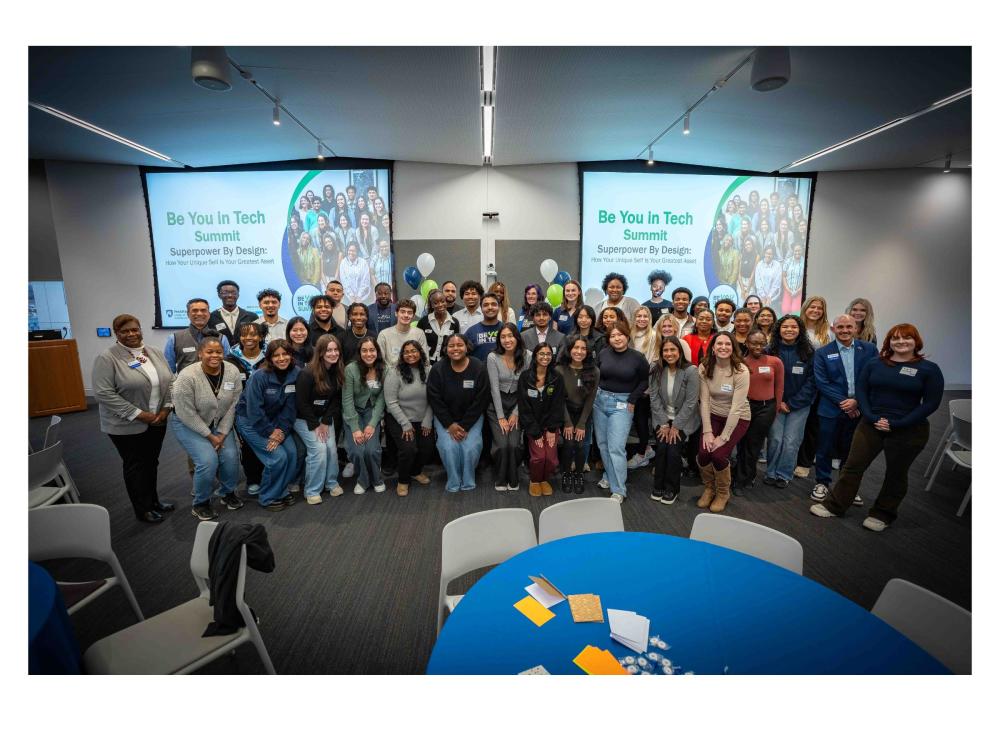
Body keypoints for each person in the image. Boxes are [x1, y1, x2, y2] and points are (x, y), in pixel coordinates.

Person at [809, 324, 944, 532]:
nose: (901, 342)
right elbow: (862, 392)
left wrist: (898, 423)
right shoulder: (875, 364)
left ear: (916, 342)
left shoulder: (929, 369)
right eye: (895, 338)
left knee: (896, 473)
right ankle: (835, 505)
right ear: (888, 342)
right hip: (871, 424)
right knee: (852, 466)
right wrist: (872, 417)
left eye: (907, 338)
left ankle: (882, 513)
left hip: (908, 429)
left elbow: (930, 404)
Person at [92, 314, 175, 523]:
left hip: (158, 419)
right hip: (126, 425)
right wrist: (139, 414)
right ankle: (143, 509)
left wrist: (166, 409)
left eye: (134, 329)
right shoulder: (107, 357)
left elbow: (170, 382)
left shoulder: (154, 352)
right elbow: (103, 393)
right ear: (117, 334)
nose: (131, 334)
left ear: (140, 329)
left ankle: (154, 501)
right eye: (124, 331)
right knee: (135, 465)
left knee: (151, 462)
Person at [169, 333, 244, 520]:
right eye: (209, 352)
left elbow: (233, 404)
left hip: (219, 424)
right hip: (188, 424)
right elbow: (186, 412)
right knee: (208, 461)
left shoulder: (232, 371)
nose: (214, 356)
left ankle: (227, 493)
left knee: (231, 457)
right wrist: (210, 436)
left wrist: (222, 433)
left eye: (218, 352)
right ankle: (200, 502)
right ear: (200, 354)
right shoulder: (187, 376)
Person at [809, 314, 879, 505]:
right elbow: (821, 382)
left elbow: (874, 378)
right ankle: (822, 482)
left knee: (852, 450)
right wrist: (845, 402)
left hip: (859, 409)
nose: (845, 331)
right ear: (833, 329)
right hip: (830, 409)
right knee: (824, 448)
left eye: (849, 327)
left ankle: (847, 487)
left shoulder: (870, 350)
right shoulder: (823, 352)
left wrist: (856, 401)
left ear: (856, 328)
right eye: (840, 327)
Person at [235, 339, 301, 511]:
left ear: (291, 356)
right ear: (270, 358)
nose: (281, 358)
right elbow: (253, 410)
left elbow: (290, 408)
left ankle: (280, 490)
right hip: (251, 422)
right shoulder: (259, 376)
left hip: (277, 422)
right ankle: (267, 496)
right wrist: (270, 433)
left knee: (293, 453)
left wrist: (281, 430)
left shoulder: (295, 374)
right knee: (278, 457)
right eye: (276, 355)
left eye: (285, 354)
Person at [427, 333, 491, 492]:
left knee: (470, 447)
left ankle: (468, 481)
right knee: (449, 447)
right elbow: (434, 399)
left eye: (459, 345)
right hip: (445, 419)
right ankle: (454, 481)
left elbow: (481, 400)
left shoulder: (478, 367)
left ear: (467, 347)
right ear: (446, 349)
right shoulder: (437, 369)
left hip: (472, 419)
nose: (456, 348)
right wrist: (450, 424)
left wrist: (464, 425)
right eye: (451, 345)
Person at [594, 320, 649, 503]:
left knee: (616, 447)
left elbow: (644, 381)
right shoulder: (603, 354)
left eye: (620, 335)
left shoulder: (638, 357)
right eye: (613, 336)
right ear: (609, 339)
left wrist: (632, 399)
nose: (617, 338)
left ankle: (619, 489)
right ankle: (609, 476)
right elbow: (595, 375)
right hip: (600, 402)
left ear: (627, 336)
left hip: (623, 404)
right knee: (602, 444)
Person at [695, 332, 751, 513]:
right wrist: (708, 431)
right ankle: (709, 488)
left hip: (738, 417)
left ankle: (722, 493)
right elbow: (704, 401)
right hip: (713, 414)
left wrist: (724, 437)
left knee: (718, 454)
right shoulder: (704, 367)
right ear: (713, 347)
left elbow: (736, 408)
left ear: (733, 348)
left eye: (728, 344)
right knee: (704, 453)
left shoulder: (741, 370)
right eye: (719, 343)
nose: (723, 347)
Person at [764, 315, 816, 489]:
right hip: (774, 403)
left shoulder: (808, 352)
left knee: (791, 441)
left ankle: (784, 474)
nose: (789, 330)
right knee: (775, 439)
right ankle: (770, 472)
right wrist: (778, 402)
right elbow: (764, 379)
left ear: (800, 330)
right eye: (785, 326)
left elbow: (812, 382)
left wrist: (792, 403)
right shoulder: (768, 351)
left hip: (799, 406)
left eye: (794, 327)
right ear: (778, 329)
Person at [293, 334, 345, 504]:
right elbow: (301, 404)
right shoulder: (307, 373)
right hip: (303, 419)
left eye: (336, 349)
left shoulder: (337, 370)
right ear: (321, 352)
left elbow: (335, 400)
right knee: (319, 450)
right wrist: (315, 425)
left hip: (323, 417)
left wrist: (324, 422)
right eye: (329, 350)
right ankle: (312, 489)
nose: (333, 353)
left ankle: (331, 483)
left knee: (331, 448)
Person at [648, 335, 700, 504]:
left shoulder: (691, 371)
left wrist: (676, 426)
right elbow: (654, 397)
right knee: (662, 447)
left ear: (680, 351)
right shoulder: (655, 368)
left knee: (673, 450)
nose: (669, 353)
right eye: (666, 350)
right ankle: (659, 486)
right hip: (661, 417)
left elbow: (691, 402)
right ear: (661, 353)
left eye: (673, 350)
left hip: (684, 419)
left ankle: (672, 489)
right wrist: (664, 423)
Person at [731, 331, 784, 496]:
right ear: (746, 343)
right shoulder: (741, 363)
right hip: (746, 406)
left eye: (762, 343)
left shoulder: (775, 362)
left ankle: (742, 480)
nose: (758, 347)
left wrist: (774, 410)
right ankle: (745, 475)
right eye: (754, 343)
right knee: (742, 443)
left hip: (766, 408)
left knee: (754, 444)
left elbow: (779, 388)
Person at [383, 340, 434, 496]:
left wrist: (427, 420)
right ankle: (403, 480)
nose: (410, 354)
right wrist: (405, 424)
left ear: (420, 352)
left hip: (422, 418)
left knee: (428, 448)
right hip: (399, 418)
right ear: (402, 355)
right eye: (406, 352)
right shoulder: (394, 373)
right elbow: (391, 402)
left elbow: (434, 398)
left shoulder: (429, 370)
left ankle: (415, 471)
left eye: (414, 351)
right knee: (408, 449)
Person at [486, 323, 531, 491]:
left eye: (510, 336)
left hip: (519, 403)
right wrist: (500, 417)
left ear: (517, 338)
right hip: (496, 405)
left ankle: (513, 477)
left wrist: (516, 413)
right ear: (499, 340)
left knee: (514, 444)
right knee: (502, 445)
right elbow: (494, 389)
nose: (507, 340)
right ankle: (500, 478)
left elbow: (527, 387)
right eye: (503, 337)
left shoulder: (527, 356)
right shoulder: (493, 357)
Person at [518, 343, 566, 497]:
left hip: (551, 426)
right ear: (535, 356)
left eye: (548, 354)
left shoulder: (557, 378)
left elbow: (558, 405)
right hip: (534, 427)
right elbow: (524, 408)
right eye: (541, 354)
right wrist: (535, 432)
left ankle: (544, 479)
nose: (545, 357)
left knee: (551, 459)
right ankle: (535, 480)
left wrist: (553, 430)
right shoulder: (525, 377)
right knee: (539, 457)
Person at [226, 322, 266, 495]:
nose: (248, 338)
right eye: (244, 334)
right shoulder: (230, 359)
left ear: (261, 337)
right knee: (248, 445)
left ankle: (268, 475)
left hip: (265, 409)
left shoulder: (268, 357)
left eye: (253, 334)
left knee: (265, 441)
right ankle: (253, 480)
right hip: (240, 411)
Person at [342, 337, 387, 494]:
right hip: (352, 412)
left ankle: (376, 479)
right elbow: (347, 400)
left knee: (372, 450)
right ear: (359, 353)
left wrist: (372, 423)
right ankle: (363, 480)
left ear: (377, 352)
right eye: (364, 350)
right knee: (357, 451)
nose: (369, 354)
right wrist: (355, 428)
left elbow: (382, 399)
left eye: (372, 350)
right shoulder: (350, 369)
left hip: (372, 411)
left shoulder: (384, 369)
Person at [555, 334, 598, 493]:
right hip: (565, 412)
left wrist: (581, 424)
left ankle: (578, 474)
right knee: (568, 444)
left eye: (583, 348)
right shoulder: (559, 369)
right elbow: (559, 399)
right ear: (569, 350)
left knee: (581, 445)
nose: (579, 351)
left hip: (584, 415)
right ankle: (566, 473)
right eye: (576, 348)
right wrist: (567, 423)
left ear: (587, 351)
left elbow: (590, 399)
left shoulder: (594, 371)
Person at [165, 297, 231, 373]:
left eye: (203, 310)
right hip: (186, 383)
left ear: (209, 314)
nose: (199, 313)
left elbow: (227, 367)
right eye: (195, 310)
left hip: (214, 383)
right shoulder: (174, 339)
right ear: (188, 314)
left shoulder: (221, 338)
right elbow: (169, 371)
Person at [377, 298, 428, 366]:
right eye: (402, 312)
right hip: (391, 375)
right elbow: (379, 362)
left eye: (409, 313)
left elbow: (425, 360)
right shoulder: (384, 335)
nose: (406, 315)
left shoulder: (419, 334)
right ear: (396, 313)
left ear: (413, 316)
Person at [208, 280, 257, 347]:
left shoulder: (251, 317)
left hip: (246, 355)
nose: (230, 295)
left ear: (238, 295)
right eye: (225, 292)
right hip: (221, 356)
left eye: (233, 292)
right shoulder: (211, 317)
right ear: (219, 295)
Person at [417, 289, 459, 364]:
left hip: (447, 363)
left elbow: (456, 345)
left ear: (446, 302)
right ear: (432, 305)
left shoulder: (454, 322)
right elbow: (417, 344)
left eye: (442, 301)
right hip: (426, 363)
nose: (440, 305)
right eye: (436, 303)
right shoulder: (423, 322)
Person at [465, 292, 504, 361]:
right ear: (481, 308)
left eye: (493, 304)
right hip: (478, 371)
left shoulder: (506, 330)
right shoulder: (471, 332)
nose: (490, 307)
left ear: (499, 307)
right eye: (486, 305)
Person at [782, 243, 805, 314]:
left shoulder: (804, 262)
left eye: (799, 250)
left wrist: (798, 291)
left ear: (802, 251)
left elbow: (805, 280)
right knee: (785, 310)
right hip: (788, 290)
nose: (797, 252)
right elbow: (784, 276)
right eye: (795, 251)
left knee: (795, 312)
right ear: (793, 251)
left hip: (799, 291)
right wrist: (788, 290)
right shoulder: (788, 261)